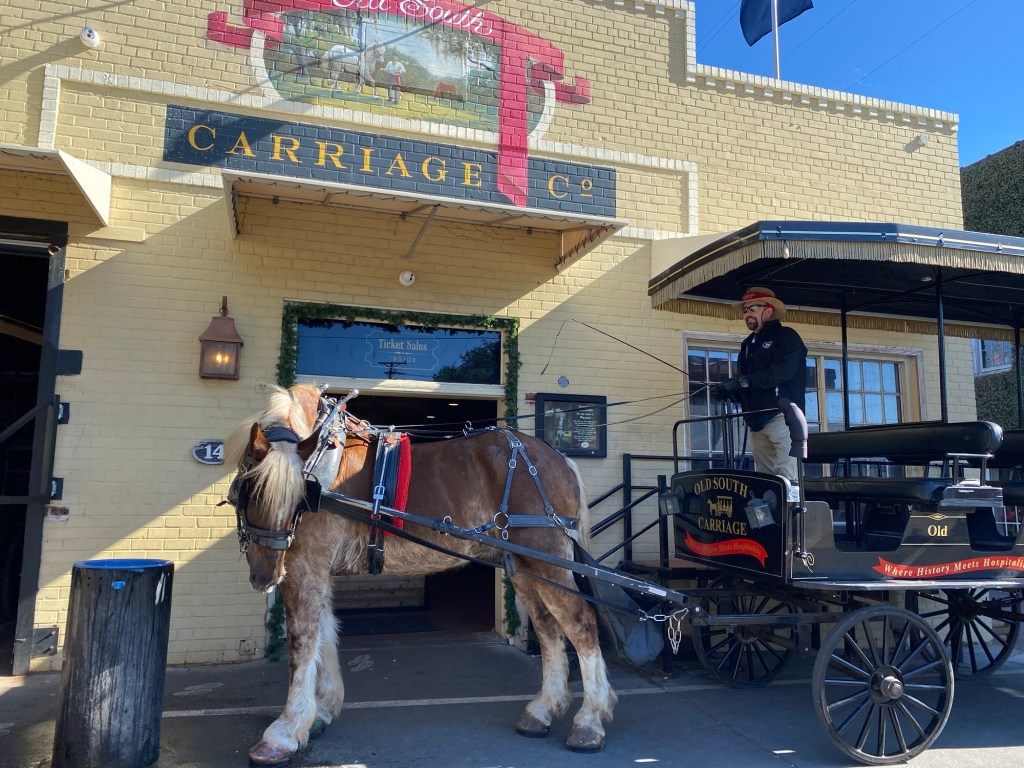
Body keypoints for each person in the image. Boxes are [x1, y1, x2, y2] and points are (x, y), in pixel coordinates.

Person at [715, 287, 807, 484]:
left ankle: (793, 505)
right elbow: (747, 383)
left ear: (769, 310)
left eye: (753, 308)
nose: (747, 314)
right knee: (765, 482)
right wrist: (731, 392)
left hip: (782, 418)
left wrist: (742, 382)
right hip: (756, 420)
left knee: (787, 480)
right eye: (744, 310)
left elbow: (782, 372)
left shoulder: (787, 336)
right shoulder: (748, 344)